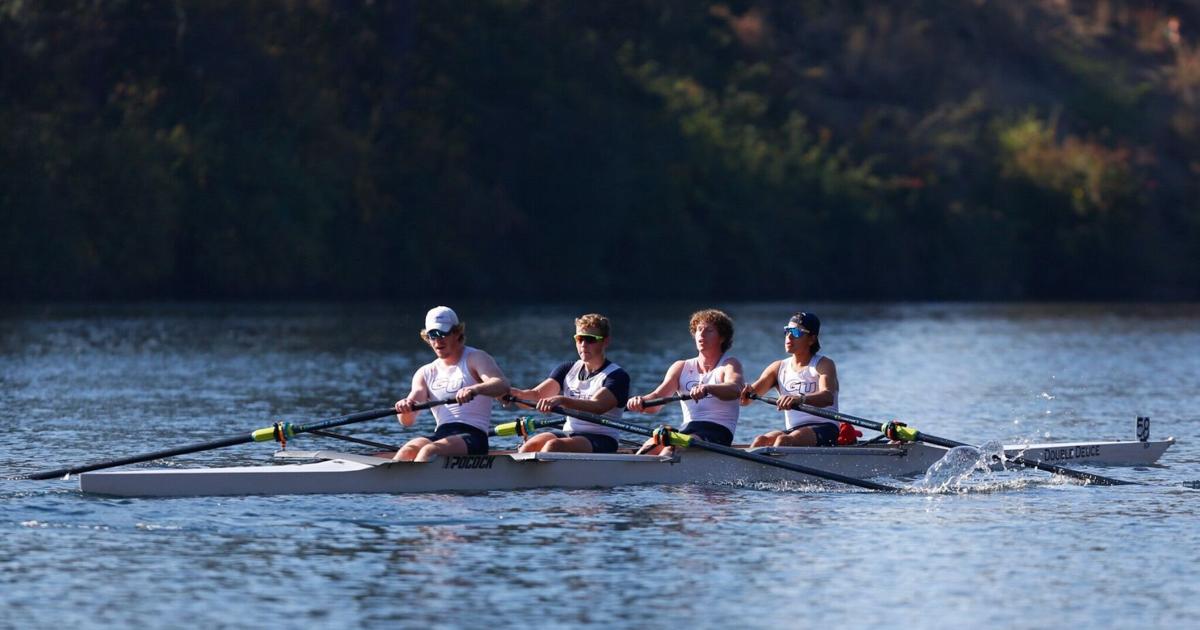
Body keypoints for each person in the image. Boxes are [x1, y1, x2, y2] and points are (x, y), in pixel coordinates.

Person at [392, 306, 510, 462]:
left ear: (457, 333)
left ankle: (417, 476)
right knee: (407, 450)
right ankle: (391, 477)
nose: (438, 340)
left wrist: (475, 389)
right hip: (442, 435)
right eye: (433, 335)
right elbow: (407, 421)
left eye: (443, 333)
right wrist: (404, 408)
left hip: (473, 437)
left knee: (428, 451)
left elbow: (502, 385)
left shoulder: (476, 358)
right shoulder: (425, 372)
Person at [627, 309, 744, 457]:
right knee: (651, 445)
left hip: (718, 432)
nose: (702, 334)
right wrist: (641, 401)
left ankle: (662, 468)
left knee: (671, 448)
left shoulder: (729, 364)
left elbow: (735, 389)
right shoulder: (681, 366)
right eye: (699, 329)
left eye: (709, 330)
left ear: (722, 338)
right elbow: (657, 400)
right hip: (688, 429)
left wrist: (708, 388)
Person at [509, 313, 630, 453]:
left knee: (553, 446)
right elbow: (536, 395)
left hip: (602, 438)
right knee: (528, 448)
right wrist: (512, 393)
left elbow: (597, 406)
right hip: (570, 433)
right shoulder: (567, 369)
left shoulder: (617, 376)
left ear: (605, 341)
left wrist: (562, 400)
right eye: (579, 339)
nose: (583, 345)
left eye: (590, 339)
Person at [740, 311, 840, 447]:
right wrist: (744, 392)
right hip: (794, 430)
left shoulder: (824, 364)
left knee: (783, 441)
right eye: (787, 331)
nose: (789, 336)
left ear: (812, 339)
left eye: (796, 332)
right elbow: (746, 400)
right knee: (760, 441)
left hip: (826, 427)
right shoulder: (777, 367)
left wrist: (799, 399)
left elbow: (827, 397)